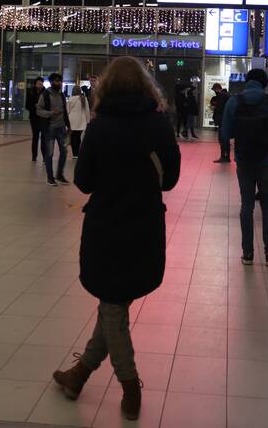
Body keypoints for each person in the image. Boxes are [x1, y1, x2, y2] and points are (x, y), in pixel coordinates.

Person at [51, 56, 180, 421]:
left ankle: (129, 385)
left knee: (112, 304)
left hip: (106, 229)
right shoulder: (159, 125)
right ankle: (78, 375)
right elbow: (169, 180)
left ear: (105, 86)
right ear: (145, 86)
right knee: (114, 305)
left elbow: (85, 182)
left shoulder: (100, 127)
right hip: (144, 229)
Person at [221, 68, 268, 267]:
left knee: (246, 206)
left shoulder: (234, 101)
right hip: (266, 162)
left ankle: (247, 254)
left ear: (247, 82)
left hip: (243, 161)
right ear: (265, 84)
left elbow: (225, 134)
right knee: (267, 206)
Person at [37, 73, 71, 186]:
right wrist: (51, 113)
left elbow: (65, 111)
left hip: (61, 128)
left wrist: (69, 126)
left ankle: (59, 175)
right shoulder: (45, 95)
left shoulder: (62, 95)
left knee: (64, 151)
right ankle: (50, 178)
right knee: (50, 153)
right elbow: (39, 110)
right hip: (49, 129)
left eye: (60, 81)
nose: (59, 83)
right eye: (57, 81)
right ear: (51, 82)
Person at [25, 78, 45, 162]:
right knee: (35, 136)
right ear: (35, 83)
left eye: (41, 83)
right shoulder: (30, 91)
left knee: (44, 137)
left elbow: (47, 104)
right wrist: (34, 107)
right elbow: (27, 105)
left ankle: (44, 156)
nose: (40, 84)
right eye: (38, 83)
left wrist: (41, 108)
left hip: (43, 118)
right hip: (34, 117)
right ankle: (34, 156)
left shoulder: (45, 92)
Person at [210, 82, 231, 163]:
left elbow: (220, 108)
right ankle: (227, 156)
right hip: (226, 121)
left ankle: (224, 157)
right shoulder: (226, 95)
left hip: (222, 121)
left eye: (214, 90)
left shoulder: (222, 96)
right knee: (225, 139)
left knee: (222, 139)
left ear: (217, 89)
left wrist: (214, 107)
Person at [67, 87, 91, 156]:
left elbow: (67, 111)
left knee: (73, 138)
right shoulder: (84, 98)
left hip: (72, 121)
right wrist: (88, 121)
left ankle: (75, 154)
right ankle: (77, 153)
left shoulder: (70, 99)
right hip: (81, 121)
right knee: (78, 137)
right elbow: (87, 111)